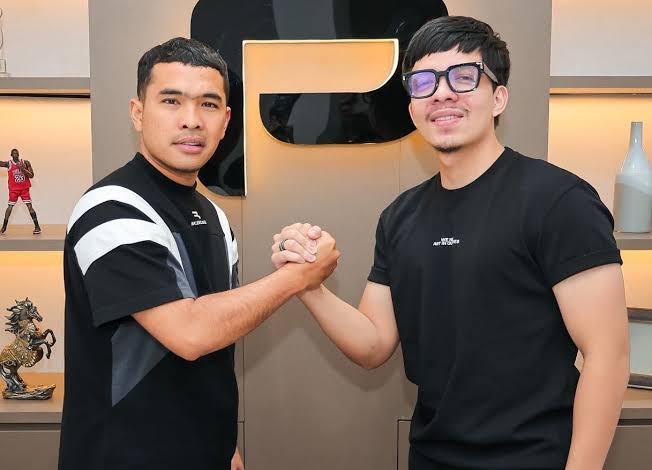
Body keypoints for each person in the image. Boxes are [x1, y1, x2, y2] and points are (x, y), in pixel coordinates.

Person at [273, 16, 629, 470]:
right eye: (424, 82)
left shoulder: (559, 200)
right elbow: (373, 345)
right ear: (412, 109)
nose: (441, 94)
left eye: (463, 77)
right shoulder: (400, 217)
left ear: (498, 98)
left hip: (535, 457)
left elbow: (607, 355)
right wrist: (308, 286)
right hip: (431, 456)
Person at [58, 37, 339, 470]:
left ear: (225, 122)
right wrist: (296, 276)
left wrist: (224, 445)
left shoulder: (215, 217)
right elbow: (190, 333)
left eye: (208, 105)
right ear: (138, 112)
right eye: (171, 101)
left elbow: (216, 342)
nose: (191, 120)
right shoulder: (110, 208)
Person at [0, 148, 41, 234]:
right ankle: (4, 227)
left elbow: (31, 175)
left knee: (30, 207)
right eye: (14, 153)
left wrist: (22, 169)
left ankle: (37, 226)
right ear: (11, 155)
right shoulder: (9, 164)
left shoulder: (25, 162)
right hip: (14, 190)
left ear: (18, 154)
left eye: (17, 153)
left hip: (24, 189)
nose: (15, 154)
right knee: (9, 207)